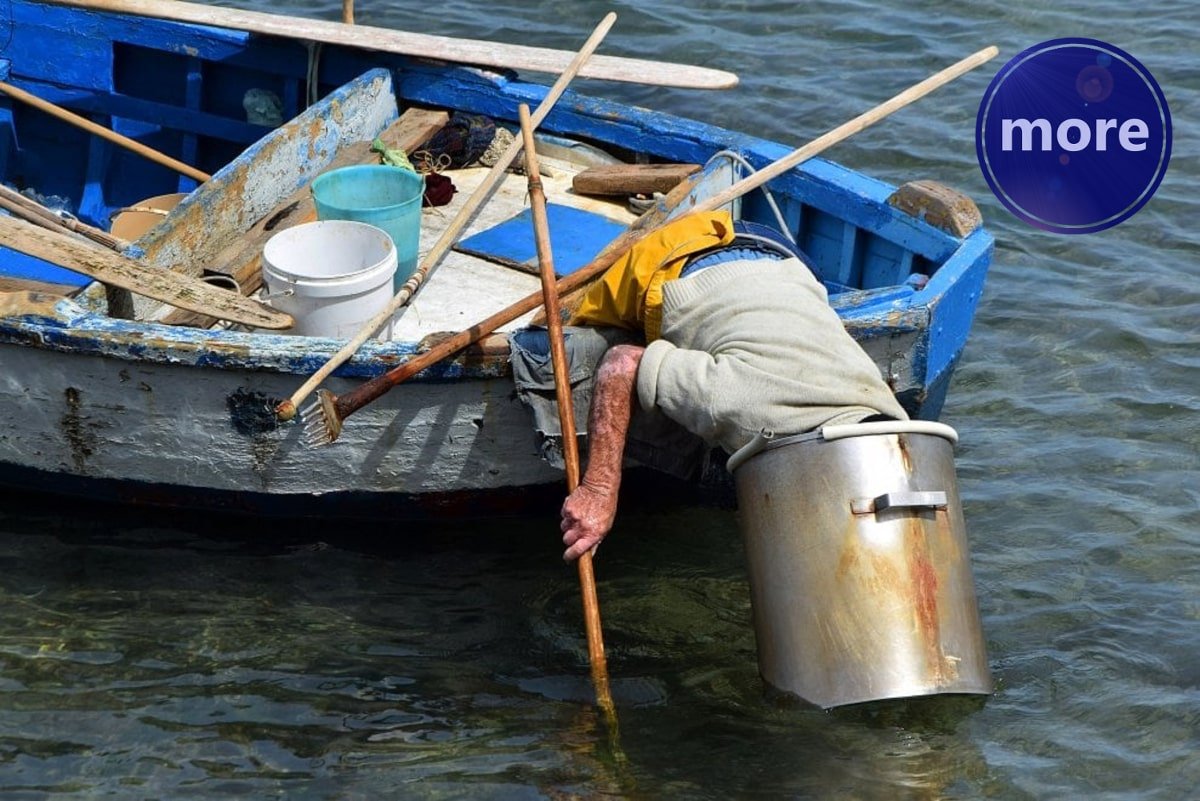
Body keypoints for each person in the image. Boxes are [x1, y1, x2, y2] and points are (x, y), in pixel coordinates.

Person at [559, 210, 908, 561]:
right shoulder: (741, 403)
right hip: (681, 259)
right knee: (579, 327)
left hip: (791, 262)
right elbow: (622, 364)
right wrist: (599, 491)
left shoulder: (888, 414)